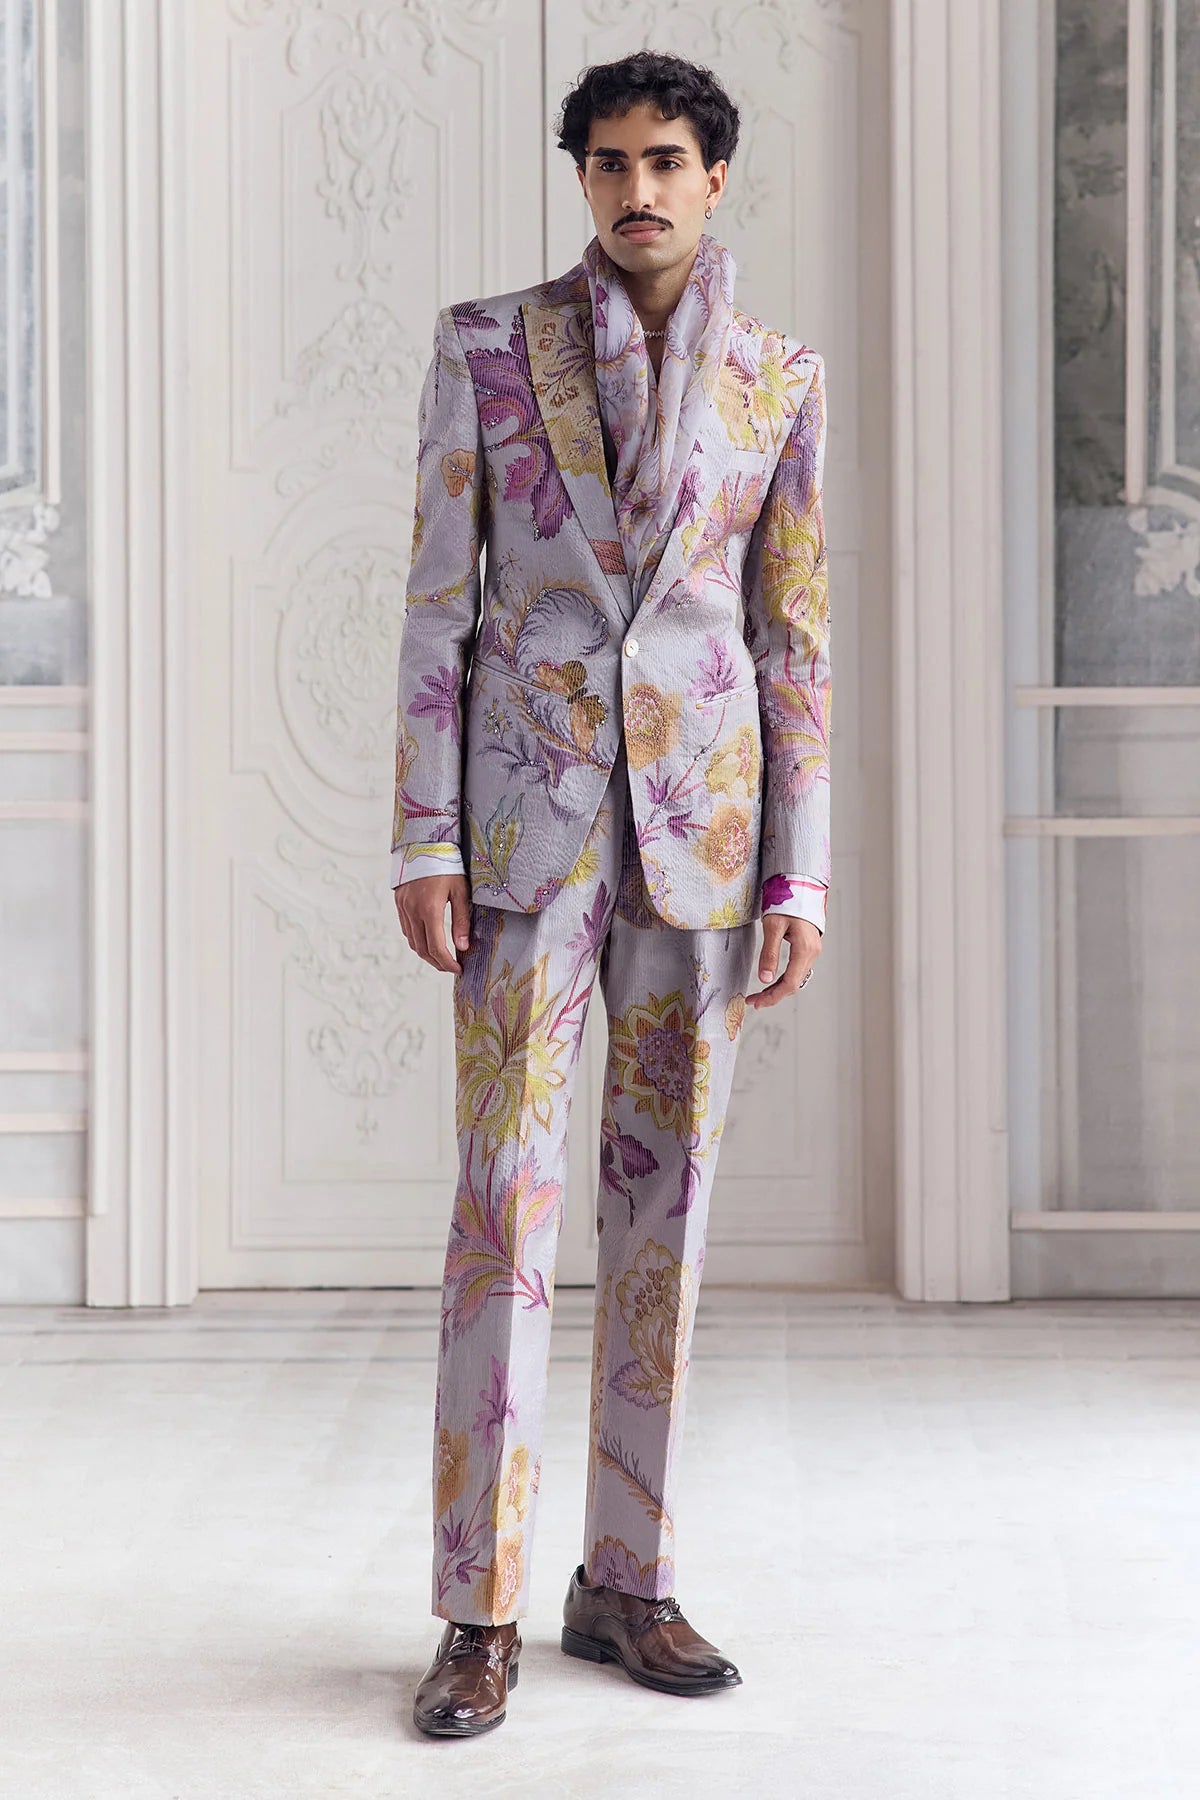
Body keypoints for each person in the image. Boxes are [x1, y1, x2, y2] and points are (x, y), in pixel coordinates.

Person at [391, 49, 831, 1737]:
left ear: (715, 176)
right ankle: (477, 1610)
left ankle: (626, 1584)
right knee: (501, 1217)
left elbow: (790, 639)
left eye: (664, 162)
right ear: (581, 176)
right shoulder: (488, 348)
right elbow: (440, 607)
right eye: (608, 164)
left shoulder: (780, 377)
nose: (636, 190)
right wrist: (424, 837)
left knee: (669, 1218)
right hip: (525, 831)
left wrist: (799, 866)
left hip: (702, 841)